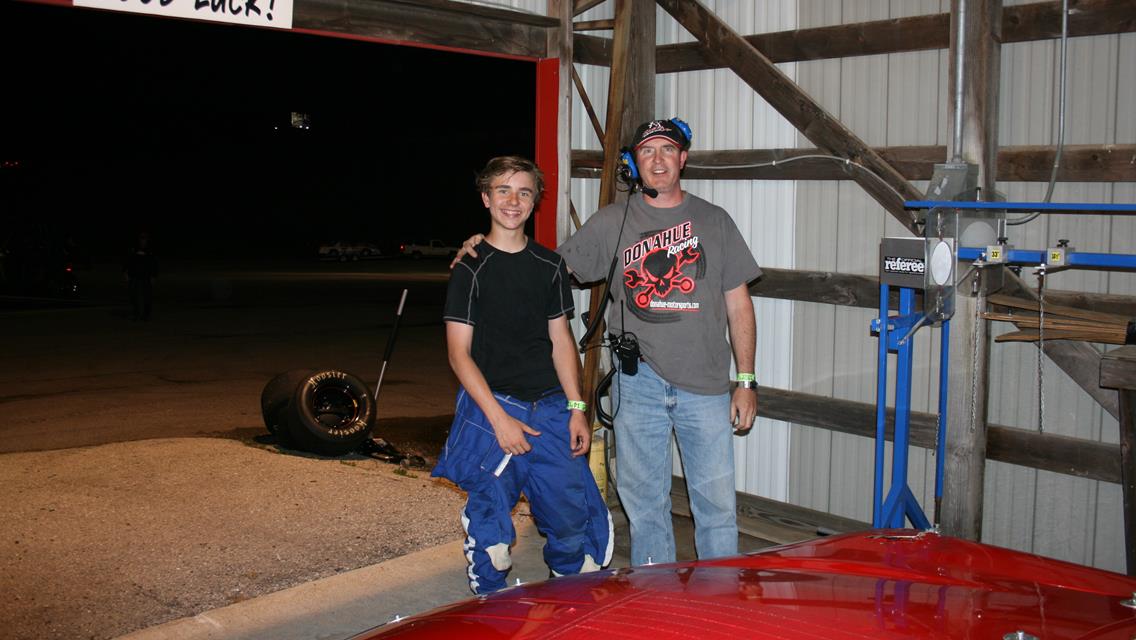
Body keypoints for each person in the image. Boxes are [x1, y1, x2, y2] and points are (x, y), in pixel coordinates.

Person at [456, 119, 762, 566]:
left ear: (683, 159)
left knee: (716, 509)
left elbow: (739, 306)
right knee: (645, 508)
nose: (657, 160)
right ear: (633, 165)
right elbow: (542, 269)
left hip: (707, 386)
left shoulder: (715, 222)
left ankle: (717, 606)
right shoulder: (613, 223)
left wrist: (747, 380)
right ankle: (653, 604)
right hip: (637, 387)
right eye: (646, 152)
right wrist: (484, 245)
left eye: (667, 150)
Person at [433, 156, 612, 595]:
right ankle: (489, 610)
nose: (513, 201)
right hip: (492, 408)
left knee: (572, 521)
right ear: (485, 198)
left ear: (535, 201)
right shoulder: (470, 268)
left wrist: (576, 408)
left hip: (552, 408)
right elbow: (459, 355)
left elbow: (561, 340)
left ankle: (566, 600)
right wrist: (499, 420)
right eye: (503, 191)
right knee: (491, 531)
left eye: (524, 192)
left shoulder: (550, 265)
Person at [123, 231, 158, 321]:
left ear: (147, 240)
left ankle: (146, 314)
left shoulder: (150, 250)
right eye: (141, 238)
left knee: (147, 296)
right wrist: (125, 272)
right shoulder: (133, 249)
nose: (143, 240)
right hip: (134, 275)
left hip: (146, 276)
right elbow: (128, 261)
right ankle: (136, 313)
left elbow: (154, 263)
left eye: (144, 238)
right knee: (133, 295)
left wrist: (154, 276)